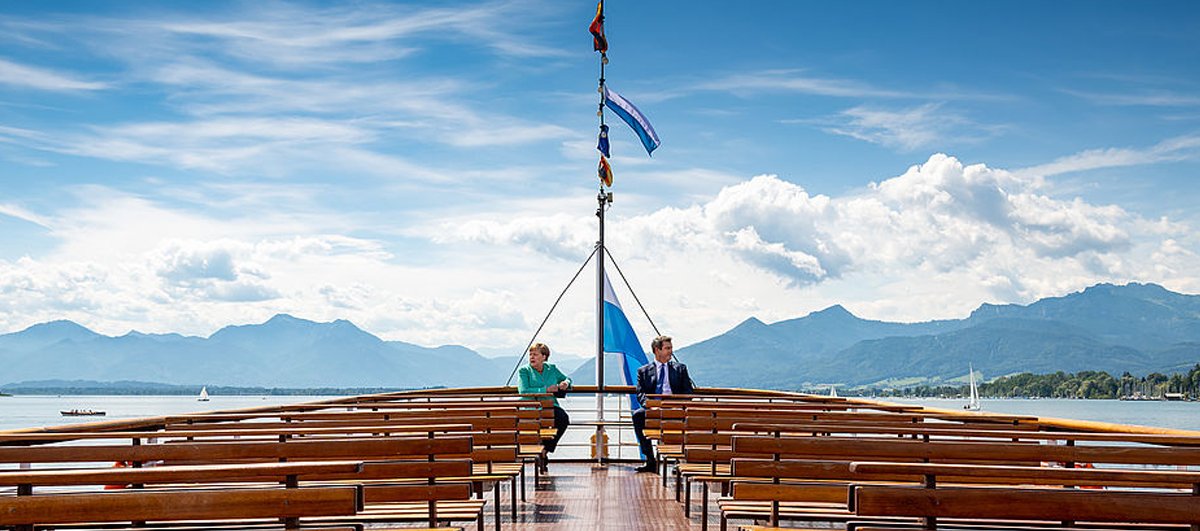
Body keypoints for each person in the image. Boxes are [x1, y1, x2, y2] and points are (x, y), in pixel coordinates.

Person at [631, 335, 694, 473]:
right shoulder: (644, 371)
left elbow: (688, 392)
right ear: (657, 350)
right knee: (637, 415)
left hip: (675, 409)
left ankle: (678, 461)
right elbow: (640, 393)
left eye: (671, 348)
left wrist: (678, 405)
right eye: (667, 348)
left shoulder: (680, 369)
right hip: (654, 409)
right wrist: (650, 405)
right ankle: (650, 460)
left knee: (682, 419)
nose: (671, 351)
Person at [517, 342, 572, 473]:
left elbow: (567, 378)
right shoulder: (524, 371)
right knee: (537, 428)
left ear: (544, 357)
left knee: (563, 419)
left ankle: (545, 450)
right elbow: (523, 391)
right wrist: (546, 389)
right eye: (530, 354)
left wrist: (565, 383)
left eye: (535, 354)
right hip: (531, 408)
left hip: (550, 406)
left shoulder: (551, 369)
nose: (532, 357)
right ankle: (541, 452)